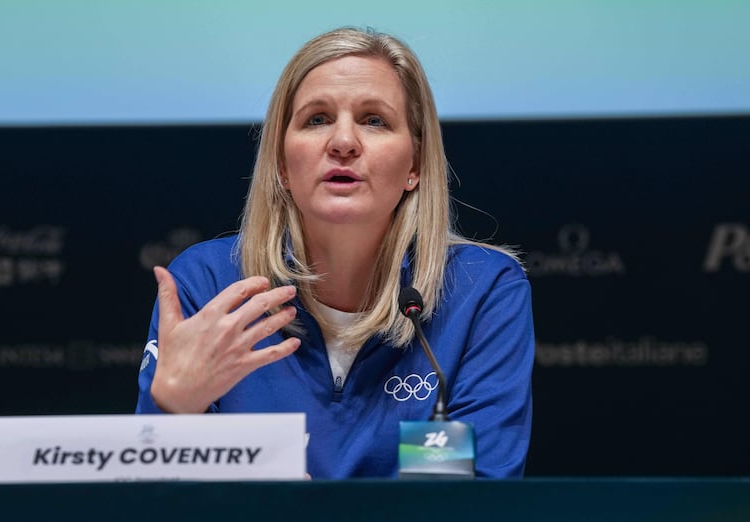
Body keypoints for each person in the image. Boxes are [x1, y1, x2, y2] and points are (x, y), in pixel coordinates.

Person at [136, 27, 533, 479]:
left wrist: (315, 521)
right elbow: (160, 520)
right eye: (317, 119)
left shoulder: (479, 291)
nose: (343, 142)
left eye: (374, 120)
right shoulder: (209, 285)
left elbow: (470, 508)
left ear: (416, 165)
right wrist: (172, 411)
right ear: (282, 165)